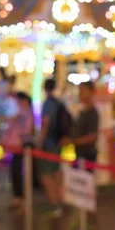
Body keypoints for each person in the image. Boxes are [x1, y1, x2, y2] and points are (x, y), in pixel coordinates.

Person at [37, 79, 66, 213]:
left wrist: (40, 143)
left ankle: (54, 202)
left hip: (49, 143)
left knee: (46, 173)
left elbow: (45, 124)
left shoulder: (48, 104)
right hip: (58, 142)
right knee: (56, 170)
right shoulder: (58, 103)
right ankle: (60, 199)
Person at [2, 92, 34, 210]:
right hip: (15, 146)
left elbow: (26, 130)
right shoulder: (17, 113)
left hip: (21, 146)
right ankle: (18, 196)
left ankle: (21, 197)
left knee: (19, 172)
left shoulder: (26, 113)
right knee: (15, 172)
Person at [61, 81, 99, 165]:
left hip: (87, 155)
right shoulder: (82, 112)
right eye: (80, 90)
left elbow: (92, 137)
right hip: (79, 153)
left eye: (83, 90)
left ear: (91, 92)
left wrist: (72, 141)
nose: (80, 94)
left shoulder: (92, 112)